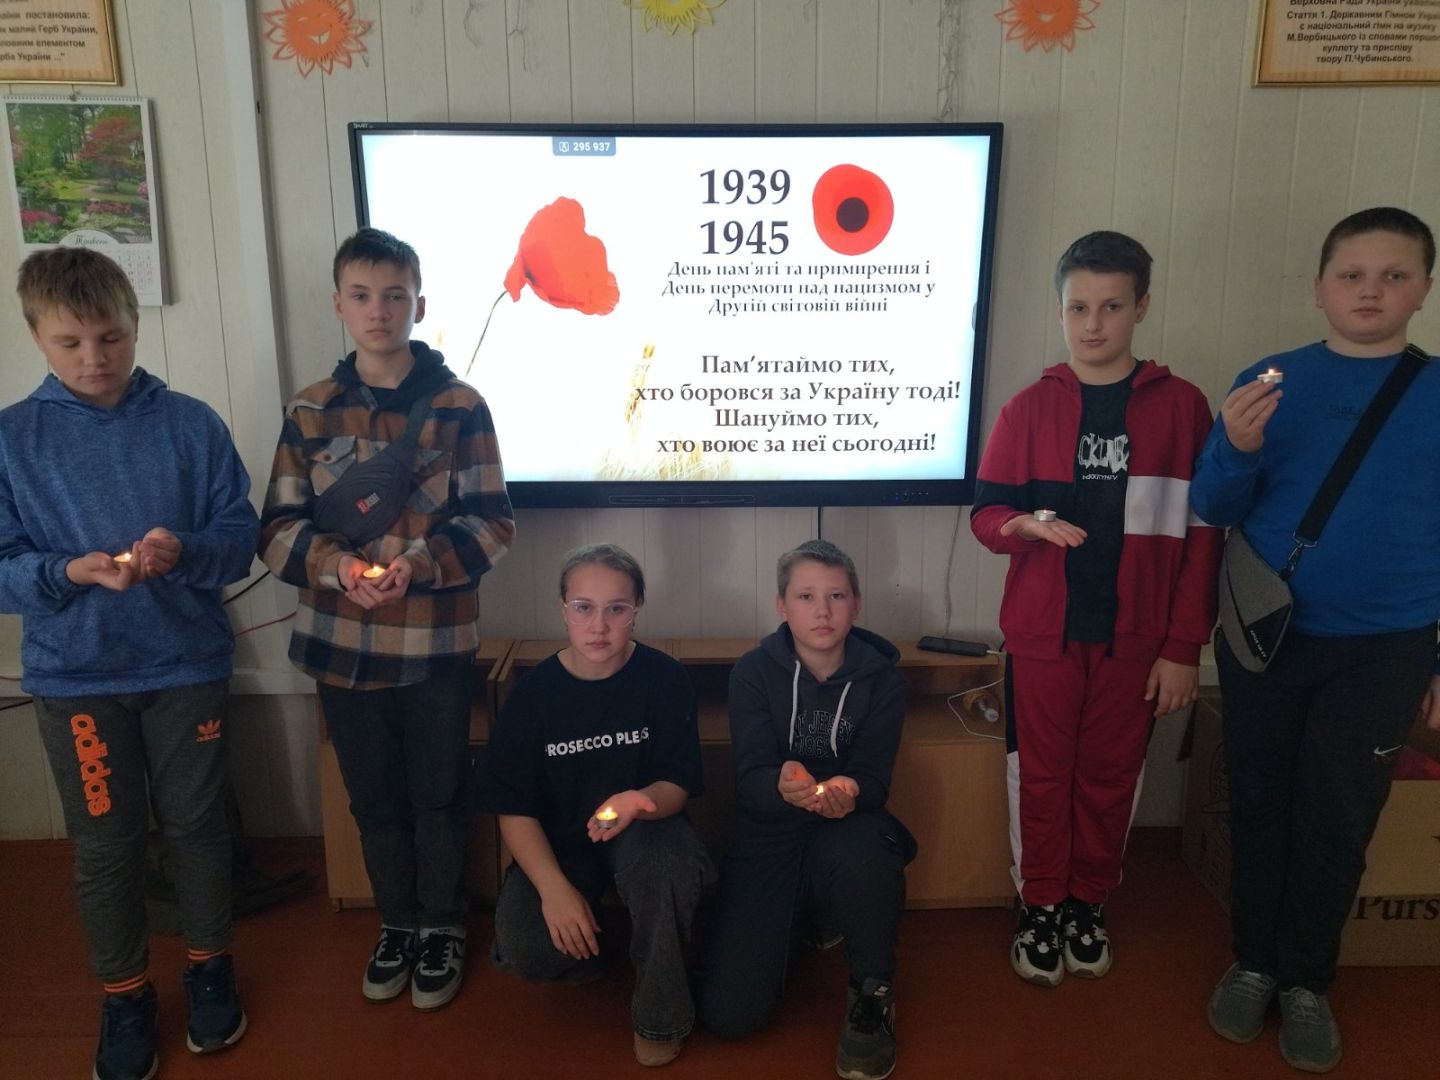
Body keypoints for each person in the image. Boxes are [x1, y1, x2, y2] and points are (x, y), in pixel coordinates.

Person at [0, 247, 259, 1080]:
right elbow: (3, 568)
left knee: (197, 828)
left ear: (135, 326)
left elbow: (239, 539)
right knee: (106, 846)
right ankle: (124, 995)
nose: (94, 358)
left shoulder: (191, 424)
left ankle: (210, 967)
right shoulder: (12, 438)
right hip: (77, 680)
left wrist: (185, 552)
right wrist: (66, 572)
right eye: (70, 342)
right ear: (36, 336)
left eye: (110, 337)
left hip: (185, 669)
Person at [1191, 206, 1439, 1075]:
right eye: (1352, 275)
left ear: (1423, 289)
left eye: (1393, 275)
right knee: (1259, 803)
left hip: (1387, 649)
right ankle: (1254, 963)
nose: (1371, 290)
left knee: (1339, 817)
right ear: (1319, 288)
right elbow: (1213, 506)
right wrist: (1236, 443)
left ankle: (1306, 981)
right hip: (1267, 637)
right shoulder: (1270, 382)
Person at [259, 227, 514, 1011]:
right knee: (373, 800)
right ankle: (397, 923)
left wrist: (420, 564)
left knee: (440, 795)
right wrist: (337, 567)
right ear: (339, 305)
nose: (379, 310)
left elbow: (494, 522)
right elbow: (276, 529)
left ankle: (443, 927)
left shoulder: (461, 407)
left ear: (419, 306)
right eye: (363, 296)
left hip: (435, 644)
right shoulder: (310, 408)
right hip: (339, 644)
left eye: (395, 296)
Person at [971, 231, 1222, 988]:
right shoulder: (1026, 409)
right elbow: (988, 515)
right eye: (1078, 307)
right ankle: (1042, 903)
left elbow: (1203, 538)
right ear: (1059, 311)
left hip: (1138, 642)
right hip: (1043, 639)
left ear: (1140, 307)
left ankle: (1088, 900)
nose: (1093, 323)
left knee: (1112, 776)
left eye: (1111, 306)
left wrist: (1183, 647)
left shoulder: (1183, 408)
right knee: (1039, 776)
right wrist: (1021, 526)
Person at [477, 543, 712, 1068]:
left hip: (644, 830)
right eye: (584, 607)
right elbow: (513, 808)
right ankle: (618, 949)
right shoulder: (533, 695)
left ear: (637, 609)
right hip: (563, 846)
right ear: (563, 610)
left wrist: (639, 801)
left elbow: (677, 784)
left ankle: (661, 1016)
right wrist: (553, 890)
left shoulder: (663, 678)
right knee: (529, 948)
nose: (599, 626)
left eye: (616, 609)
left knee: (667, 866)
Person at [697, 539, 915, 1080]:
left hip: (847, 828)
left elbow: (874, 779)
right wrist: (781, 785)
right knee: (730, 1016)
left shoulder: (883, 679)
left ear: (856, 603)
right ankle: (803, 918)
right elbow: (750, 778)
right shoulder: (752, 672)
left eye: (836, 595)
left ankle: (872, 991)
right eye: (806, 596)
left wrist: (849, 788)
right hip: (769, 833)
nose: (823, 611)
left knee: (869, 855)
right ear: (782, 606)